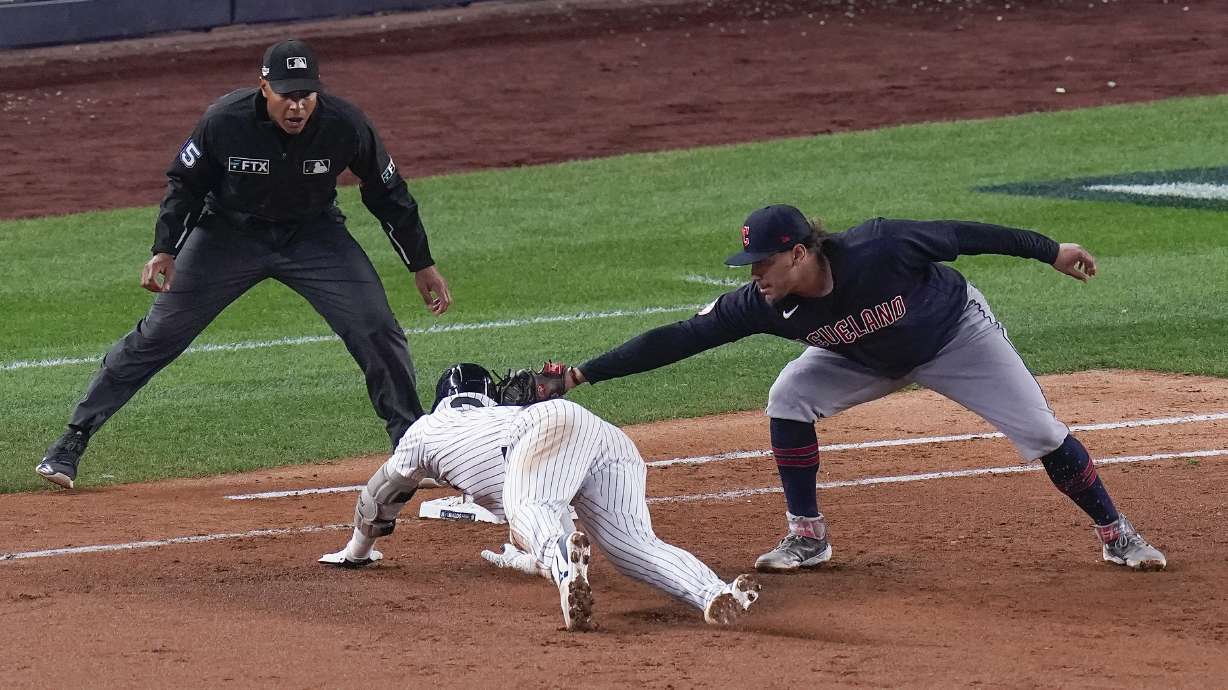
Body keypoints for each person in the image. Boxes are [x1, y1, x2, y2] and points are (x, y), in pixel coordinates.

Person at [560, 204, 1167, 572]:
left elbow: (967, 234)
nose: (754, 277)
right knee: (788, 398)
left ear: (799, 253)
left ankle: (1118, 535)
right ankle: (808, 537)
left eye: (762, 264)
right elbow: (679, 338)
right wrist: (583, 374)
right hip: (862, 357)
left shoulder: (883, 247)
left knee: (1039, 430)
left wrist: (1050, 250)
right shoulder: (763, 302)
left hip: (955, 337)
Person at [36, 39, 451, 489]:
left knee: (375, 326)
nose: (297, 106)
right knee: (159, 334)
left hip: (313, 236)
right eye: (287, 94)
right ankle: (72, 441)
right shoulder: (224, 120)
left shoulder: (345, 124)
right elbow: (185, 186)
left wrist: (420, 263)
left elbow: (388, 194)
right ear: (264, 88)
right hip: (227, 236)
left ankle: (410, 448)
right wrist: (165, 249)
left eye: (306, 95)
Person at [319, 363, 762, 631]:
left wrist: (357, 551)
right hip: (602, 436)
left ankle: (563, 567)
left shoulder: (425, 430)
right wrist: (526, 557)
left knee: (530, 511)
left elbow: (379, 495)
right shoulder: (495, 419)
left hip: (545, 428)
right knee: (633, 548)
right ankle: (713, 593)